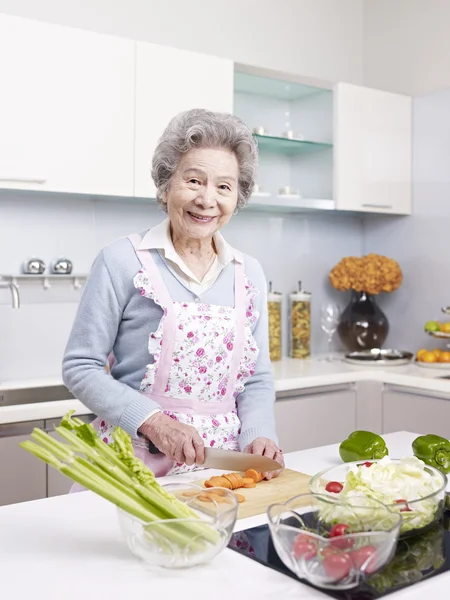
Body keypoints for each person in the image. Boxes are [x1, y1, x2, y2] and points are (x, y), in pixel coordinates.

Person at [62, 108, 284, 480]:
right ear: (166, 186)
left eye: (224, 187)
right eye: (194, 181)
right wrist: (153, 422)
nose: (207, 199)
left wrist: (259, 433)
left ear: (237, 198)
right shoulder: (121, 260)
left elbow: (257, 378)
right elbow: (80, 367)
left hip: (222, 466)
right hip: (135, 458)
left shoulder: (250, 274)